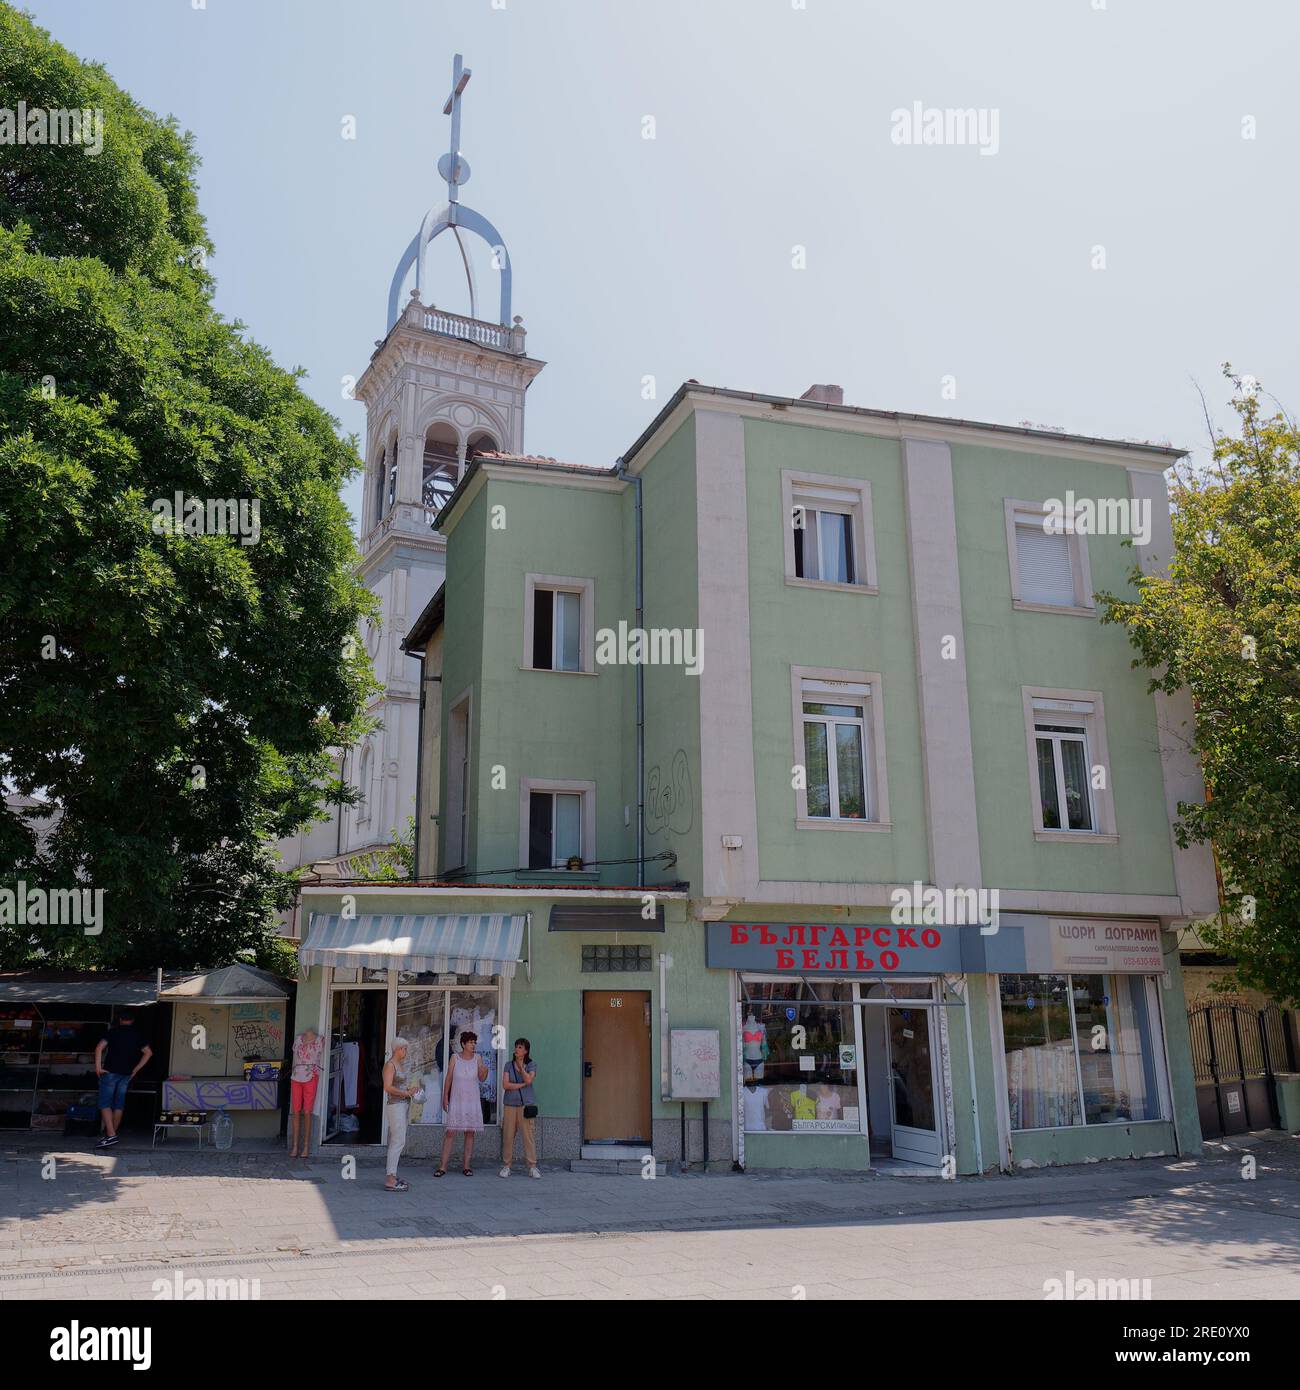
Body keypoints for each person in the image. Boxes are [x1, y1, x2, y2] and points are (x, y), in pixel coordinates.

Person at [94, 1009, 152, 1148]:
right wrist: (135, 1070)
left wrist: (98, 1067)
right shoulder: (137, 1034)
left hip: (110, 1072)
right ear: (132, 1021)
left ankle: (111, 1135)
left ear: (120, 1019)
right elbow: (148, 1053)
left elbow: (99, 1048)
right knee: (118, 1105)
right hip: (126, 1073)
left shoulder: (112, 1032)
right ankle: (111, 1135)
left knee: (104, 1104)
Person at [435, 1030, 488, 1177]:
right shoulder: (454, 1058)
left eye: (474, 1042)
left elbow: (482, 1078)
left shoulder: (478, 1058)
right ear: (463, 1044)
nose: (473, 1045)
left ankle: (466, 1166)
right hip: (457, 1099)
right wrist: (445, 1096)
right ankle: (443, 1166)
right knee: (450, 1132)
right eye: (470, 1042)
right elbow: (449, 1077)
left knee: (470, 1133)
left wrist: (485, 1071)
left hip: (472, 1100)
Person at [499, 1037, 540, 1179]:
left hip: (525, 1105)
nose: (517, 1049)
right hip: (510, 1104)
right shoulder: (508, 1065)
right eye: (516, 1046)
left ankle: (532, 1166)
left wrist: (522, 1068)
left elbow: (529, 1079)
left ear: (526, 1051)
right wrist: (522, 1085)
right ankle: (506, 1166)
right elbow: (505, 1085)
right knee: (508, 1136)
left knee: (528, 1137)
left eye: (520, 1047)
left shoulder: (531, 1064)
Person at [382, 1037, 417, 1192]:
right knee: (397, 1140)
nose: (406, 1051)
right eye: (404, 1048)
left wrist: (410, 1091)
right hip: (395, 1105)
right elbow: (388, 1087)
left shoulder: (398, 1065)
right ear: (397, 1049)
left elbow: (398, 1085)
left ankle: (393, 1175)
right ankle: (390, 1177)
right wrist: (406, 1092)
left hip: (401, 1104)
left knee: (399, 1140)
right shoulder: (390, 1065)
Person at [288, 1028, 323, 1158]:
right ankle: (295, 1145)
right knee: (296, 1111)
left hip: (311, 1076)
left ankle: (306, 1146)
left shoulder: (319, 1040)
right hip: (296, 1076)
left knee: (307, 1111)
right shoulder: (298, 1039)